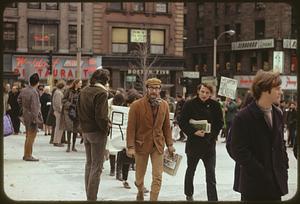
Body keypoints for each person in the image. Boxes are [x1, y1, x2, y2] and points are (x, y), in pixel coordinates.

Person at [230, 70, 289, 201]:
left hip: (275, 182)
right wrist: (260, 170)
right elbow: (237, 150)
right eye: (277, 88)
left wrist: (284, 165)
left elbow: (280, 144)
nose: (281, 92)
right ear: (265, 89)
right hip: (254, 185)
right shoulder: (243, 117)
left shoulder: (278, 113)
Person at [126, 78, 175, 201]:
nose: (154, 91)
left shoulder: (164, 105)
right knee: (139, 177)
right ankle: (140, 190)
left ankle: (154, 199)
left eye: (157, 88)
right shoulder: (136, 105)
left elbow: (166, 127)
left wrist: (170, 144)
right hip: (141, 145)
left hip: (157, 145)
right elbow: (131, 128)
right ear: (147, 89)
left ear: (160, 90)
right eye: (152, 88)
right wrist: (130, 147)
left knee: (157, 176)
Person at [178, 83, 224, 201]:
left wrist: (212, 135)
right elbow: (182, 121)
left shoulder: (215, 105)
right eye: (202, 91)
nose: (204, 94)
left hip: (209, 145)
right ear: (198, 91)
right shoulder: (190, 104)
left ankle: (213, 199)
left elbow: (219, 123)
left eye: (207, 93)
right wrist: (193, 132)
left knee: (210, 174)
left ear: (211, 94)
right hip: (194, 143)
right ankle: (189, 194)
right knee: (190, 170)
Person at [77, 69, 110, 201]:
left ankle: (89, 195)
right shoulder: (101, 93)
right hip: (97, 132)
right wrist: (106, 127)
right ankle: (92, 198)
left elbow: (78, 110)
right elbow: (101, 117)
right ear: (105, 80)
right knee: (97, 166)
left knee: (89, 164)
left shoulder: (84, 91)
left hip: (85, 131)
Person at [17, 73, 43, 161]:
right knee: (31, 136)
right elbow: (35, 107)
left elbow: (19, 100)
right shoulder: (34, 92)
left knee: (28, 136)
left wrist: (24, 107)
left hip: (25, 114)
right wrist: (35, 119)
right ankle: (28, 155)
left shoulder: (24, 90)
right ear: (37, 83)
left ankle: (26, 154)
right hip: (32, 116)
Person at [61, 79, 82, 152]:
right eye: (79, 83)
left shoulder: (80, 91)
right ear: (76, 84)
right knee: (69, 128)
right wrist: (70, 105)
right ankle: (68, 146)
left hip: (77, 112)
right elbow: (63, 100)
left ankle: (73, 146)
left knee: (75, 129)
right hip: (69, 111)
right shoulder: (68, 90)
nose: (81, 85)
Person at [52, 80, 66, 147]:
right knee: (59, 127)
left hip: (58, 112)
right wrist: (62, 110)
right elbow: (58, 104)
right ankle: (57, 141)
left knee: (59, 127)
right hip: (59, 112)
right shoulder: (58, 93)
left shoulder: (58, 92)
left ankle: (57, 140)